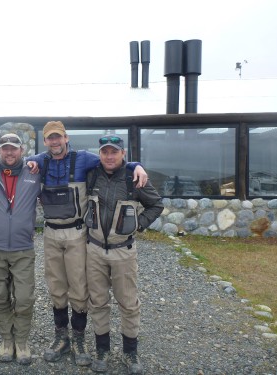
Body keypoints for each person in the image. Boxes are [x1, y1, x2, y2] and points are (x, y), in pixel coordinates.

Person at [25, 121, 148, 367]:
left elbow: (112, 161)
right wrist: (31, 159)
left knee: (80, 287)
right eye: (50, 138)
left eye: (58, 137)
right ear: (46, 141)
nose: (55, 142)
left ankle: (79, 339)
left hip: (77, 233)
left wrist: (136, 165)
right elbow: (26, 158)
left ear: (66, 138)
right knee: (56, 286)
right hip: (50, 233)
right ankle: (62, 338)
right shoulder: (41, 161)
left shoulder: (83, 159)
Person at [85, 135, 163, 374]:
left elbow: (156, 204)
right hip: (94, 249)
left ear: (123, 154)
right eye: (105, 152)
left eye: (114, 152)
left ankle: (130, 353)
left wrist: (139, 224)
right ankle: (102, 350)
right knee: (97, 302)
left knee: (128, 303)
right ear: (99, 154)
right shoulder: (91, 174)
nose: (109, 156)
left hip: (123, 252)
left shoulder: (134, 178)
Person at [0, 133, 42, 365]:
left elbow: (58, 157)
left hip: (22, 247)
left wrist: (134, 165)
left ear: (21, 150)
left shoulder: (34, 171)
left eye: (14, 148)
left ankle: (22, 341)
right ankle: (7, 340)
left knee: (25, 297)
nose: (9, 152)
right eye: (5, 148)